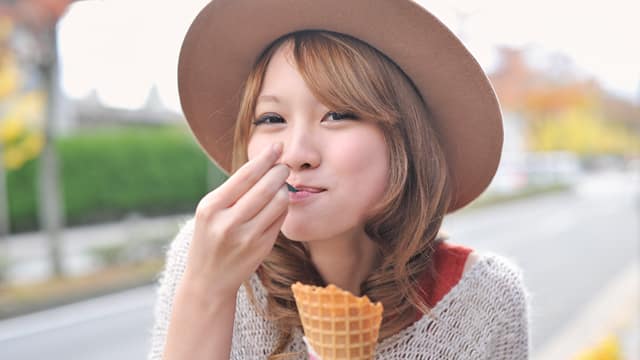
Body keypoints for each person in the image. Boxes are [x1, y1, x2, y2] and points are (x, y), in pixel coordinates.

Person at [148, 1, 531, 359]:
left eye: (337, 115)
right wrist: (207, 292)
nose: (297, 153)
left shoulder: (485, 300)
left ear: (407, 142)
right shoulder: (203, 256)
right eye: (271, 119)